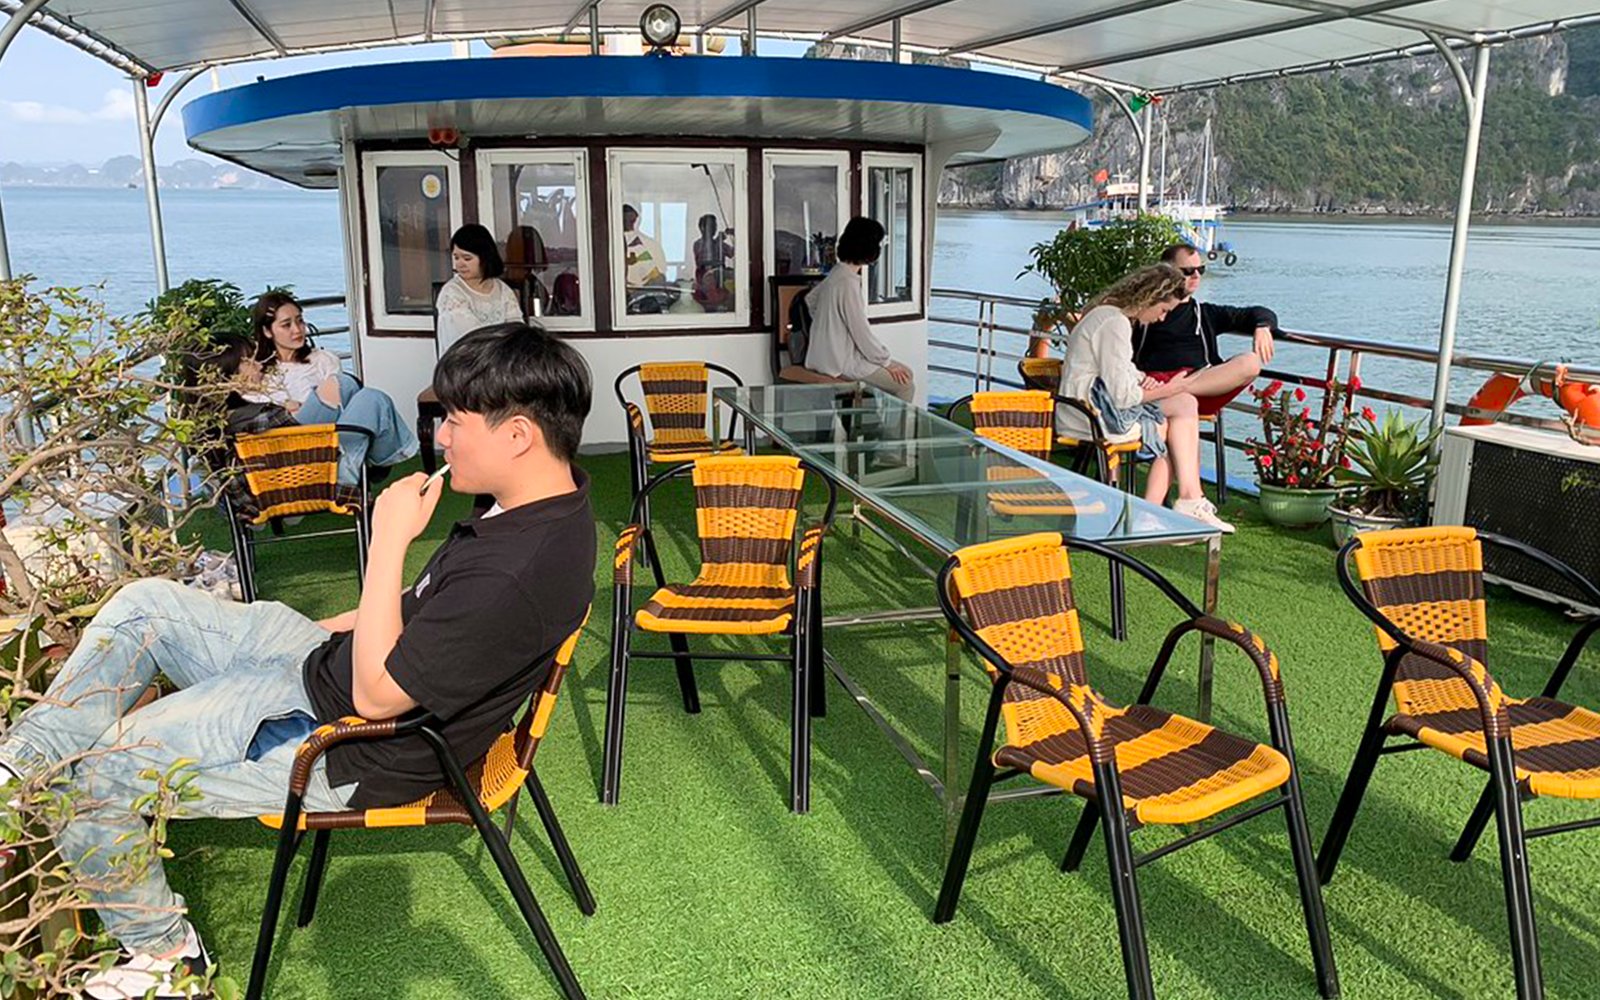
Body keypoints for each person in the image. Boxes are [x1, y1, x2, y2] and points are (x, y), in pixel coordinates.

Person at [0, 323, 595, 999]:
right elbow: (423, 603)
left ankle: (166, 957)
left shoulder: (517, 570)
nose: (442, 437)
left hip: (346, 743)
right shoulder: (538, 501)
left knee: (92, 777)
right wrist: (299, 633)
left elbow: (376, 699)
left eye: (455, 422)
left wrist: (388, 540)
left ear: (517, 434)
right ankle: (18, 763)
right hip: (319, 662)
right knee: (147, 607)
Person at [1057, 264, 1234, 533]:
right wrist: (1169, 388)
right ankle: (1169, 506)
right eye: (1163, 310)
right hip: (1089, 416)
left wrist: (1141, 377)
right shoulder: (1115, 323)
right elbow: (1124, 396)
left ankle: (1180, 502)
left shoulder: (1107, 316)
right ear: (1149, 298)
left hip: (1082, 408)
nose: (1162, 318)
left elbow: (1113, 369)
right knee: (1175, 424)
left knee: (1185, 406)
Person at [236, 291, 418, 486]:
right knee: (344, 382)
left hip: (329, 439)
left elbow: (346, 414)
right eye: (286, 325)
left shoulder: (323, 360)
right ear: (267, 331)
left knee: (373, 397)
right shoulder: (256, 370)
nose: (297, 330)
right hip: (288, 443)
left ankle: (348, 468)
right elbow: (249, 413)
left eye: (300, 321)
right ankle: (367, 464)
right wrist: (283, 408)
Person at [1132, 243, 1280, 417]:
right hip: (1154, 388)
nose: (1196, 275)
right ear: (1166, 273)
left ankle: (1176, 389)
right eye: (1187, 271)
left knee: (1251, 362)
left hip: (1199, 386)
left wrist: (1263, 326)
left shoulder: (1206, 313)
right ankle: (1173, 392)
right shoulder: (1142, 314)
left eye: (1200, 270)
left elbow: (1258, 312)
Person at [802, 217, 916, 402]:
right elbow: (860, 332)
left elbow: (810, 300)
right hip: (841, 363)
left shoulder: (837, 273)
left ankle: (874, 423)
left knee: (903, 374)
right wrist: (886, 362)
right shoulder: (848, 283)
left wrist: (830, 327)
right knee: (905, 384)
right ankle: (897, 431)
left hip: (823, 356)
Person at [435, 224, 524, 355]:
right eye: (456, 257)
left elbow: (517, 328)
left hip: (502, 361)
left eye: (467, 258)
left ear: (485, 257)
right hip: (466, 364)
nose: (459, 264)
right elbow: (471, 338)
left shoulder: (503, 290)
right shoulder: (452, 292)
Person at [691, 213, 734, 310]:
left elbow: (733, 253)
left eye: (715, 226)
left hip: (721, 280)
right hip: (705, 282)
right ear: (702, 228)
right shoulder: (698, 244)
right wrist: (718, 242)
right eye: (711, 226)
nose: (714, 229)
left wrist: (735, 235)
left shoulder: (720, 244)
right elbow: (704, 261)